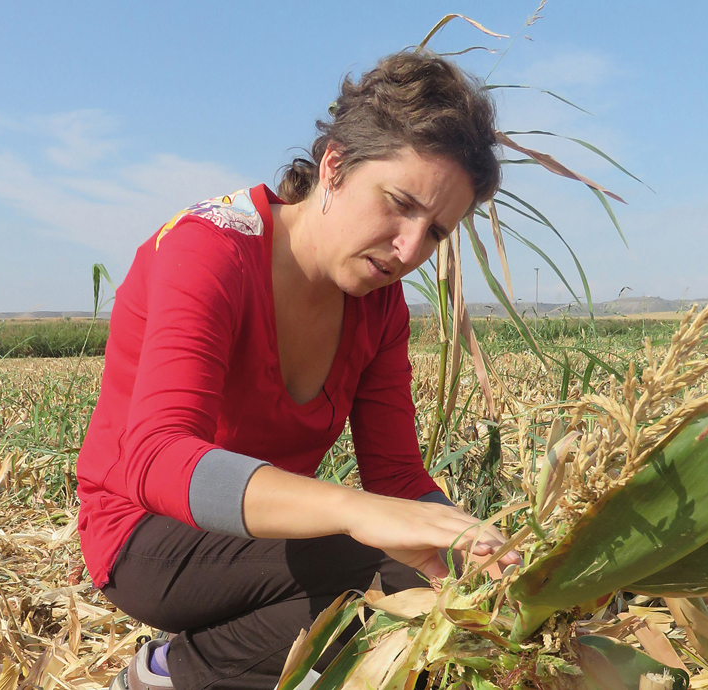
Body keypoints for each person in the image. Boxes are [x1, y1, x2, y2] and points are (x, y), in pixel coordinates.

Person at [75, 51, 517, 690]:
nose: (409, 250)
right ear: (334, 166)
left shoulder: (378, 304)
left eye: (436, 232)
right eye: (399, 204)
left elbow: (395, 475)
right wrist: (357, 512)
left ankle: (202, 664)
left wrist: (474, 543)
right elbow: (156, 457)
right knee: (384, 572)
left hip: (259, 537)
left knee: (441, 585)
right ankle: (172, 676)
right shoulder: (211, 250)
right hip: (145, 535)